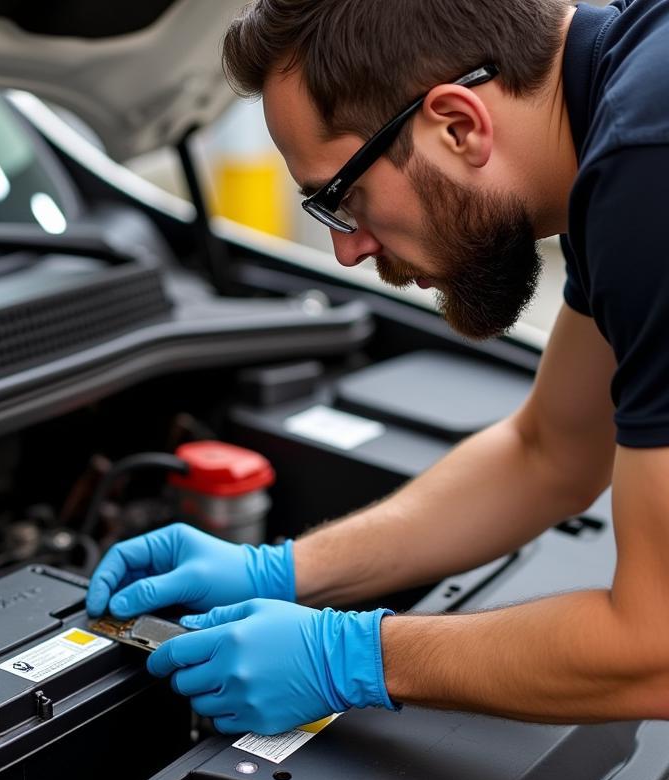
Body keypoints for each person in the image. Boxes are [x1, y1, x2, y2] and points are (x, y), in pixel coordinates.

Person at [87, 0, 669, 735]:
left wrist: (352, 657)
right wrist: (282, 571)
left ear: (458, 125)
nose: (347, 251)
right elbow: (550, 451)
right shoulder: (614, 114)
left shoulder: (649, 168)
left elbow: (656, 647)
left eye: (341, 198)